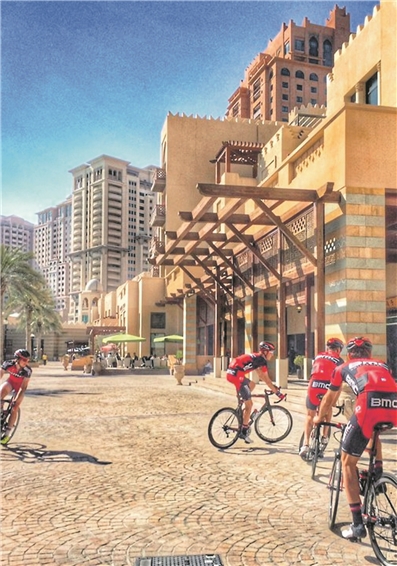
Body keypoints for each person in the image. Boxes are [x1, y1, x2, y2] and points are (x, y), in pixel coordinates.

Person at [314, 337, 397, 540]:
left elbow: (328, 400)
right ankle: (377, 473)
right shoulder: (382, 364)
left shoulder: (343, 367)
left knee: (348, 463)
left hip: (368, 405)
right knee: (374, 429)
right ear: (369, 354)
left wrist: (318, 418)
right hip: (394, 405)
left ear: (349, 354)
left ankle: (357, 524)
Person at [226, 341, 285, 444]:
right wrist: (277, 392)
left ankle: (244, 405)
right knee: (250, 405)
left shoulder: (257, 358)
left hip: (232, 372)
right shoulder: (261, 360)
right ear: (265, 352)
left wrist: (272, 387)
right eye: (271, 352)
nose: (273, 354)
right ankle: (243, 432)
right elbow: (265, 378)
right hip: (236, 375)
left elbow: (260, 374)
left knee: (252, 385)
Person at [299, 338, 344, 459]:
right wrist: (333, 402)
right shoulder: (340, 361)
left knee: (310, 415)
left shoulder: (318, 356)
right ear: (338, 349)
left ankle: (306, 444)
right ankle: (324, 437)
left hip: (313, 385)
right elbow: (339, 385)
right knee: (328, 408)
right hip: (327, 386)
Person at [0, 349, 32, 445]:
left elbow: (23, 388)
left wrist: (15, 400)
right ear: (17, 359)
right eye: (24, 360)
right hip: (10, 382)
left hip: (20, 387)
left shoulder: (27, 370)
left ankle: (7, 433)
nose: (26, 362)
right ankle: (1, 413)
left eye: (27, 360)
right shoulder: (8, 364)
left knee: (14, 407)